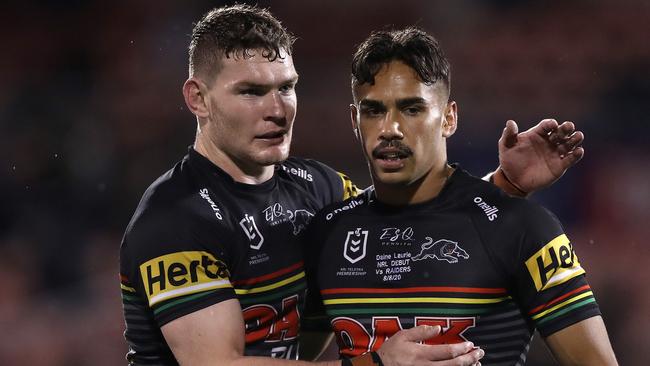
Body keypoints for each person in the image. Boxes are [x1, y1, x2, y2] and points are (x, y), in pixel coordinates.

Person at [119, 5, 586, 366]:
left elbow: (408, 226)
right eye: (251, 92)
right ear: (197, 98)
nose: (277, 109)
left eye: (286, 87)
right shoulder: (176, 219)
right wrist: (375, 362)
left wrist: (503, 186)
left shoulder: (316, 188)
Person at [303, 28, 617, 365]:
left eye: (411, 109)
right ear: (355, 120)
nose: (390, 129)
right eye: (373, 111)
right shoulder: (328, 232)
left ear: (449, 119)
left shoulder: (522, 227)